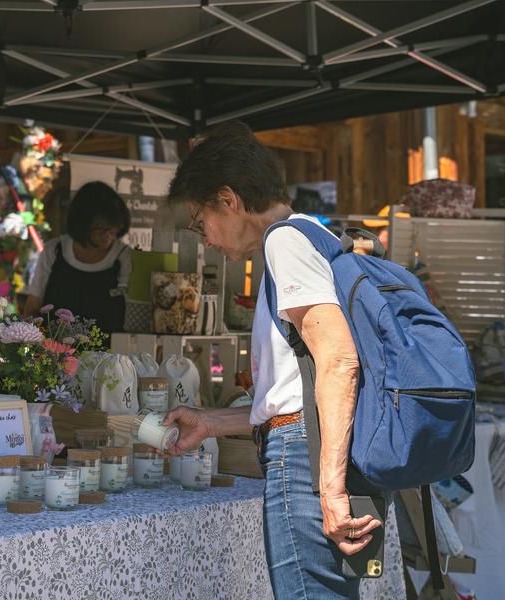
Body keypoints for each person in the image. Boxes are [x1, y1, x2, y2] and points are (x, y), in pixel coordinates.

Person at [164, 122, 381, 599]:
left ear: (229, 199)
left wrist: (329, 489)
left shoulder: (286, 242)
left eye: (202, 222)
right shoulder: (304, 239)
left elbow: (339, 361)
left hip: (304, 460)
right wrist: (211, 422)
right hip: (306, 447)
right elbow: (292, 395)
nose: (206, 240)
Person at [23, 181, 131, 333]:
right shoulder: (54, 251)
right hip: (55, 352)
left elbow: (131, 313)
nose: (108, 235)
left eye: (113, 229)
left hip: (109, 353)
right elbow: (33, 305)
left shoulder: (123, 257)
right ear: (83, 224)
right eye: (100, 228)